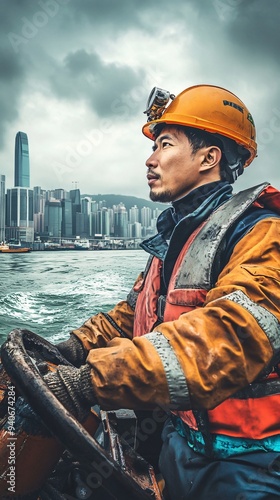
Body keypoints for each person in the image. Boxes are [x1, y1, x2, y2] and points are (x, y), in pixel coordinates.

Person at [6, 85, 280, 499]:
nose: (150, 159)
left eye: (164, 145)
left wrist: (88, 382)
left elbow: (231, 337)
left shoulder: (260, 234)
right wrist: (70, 349)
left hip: (250, 465)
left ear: (209, 158)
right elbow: (134, 314)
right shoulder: (176, 243)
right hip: (178, 443)